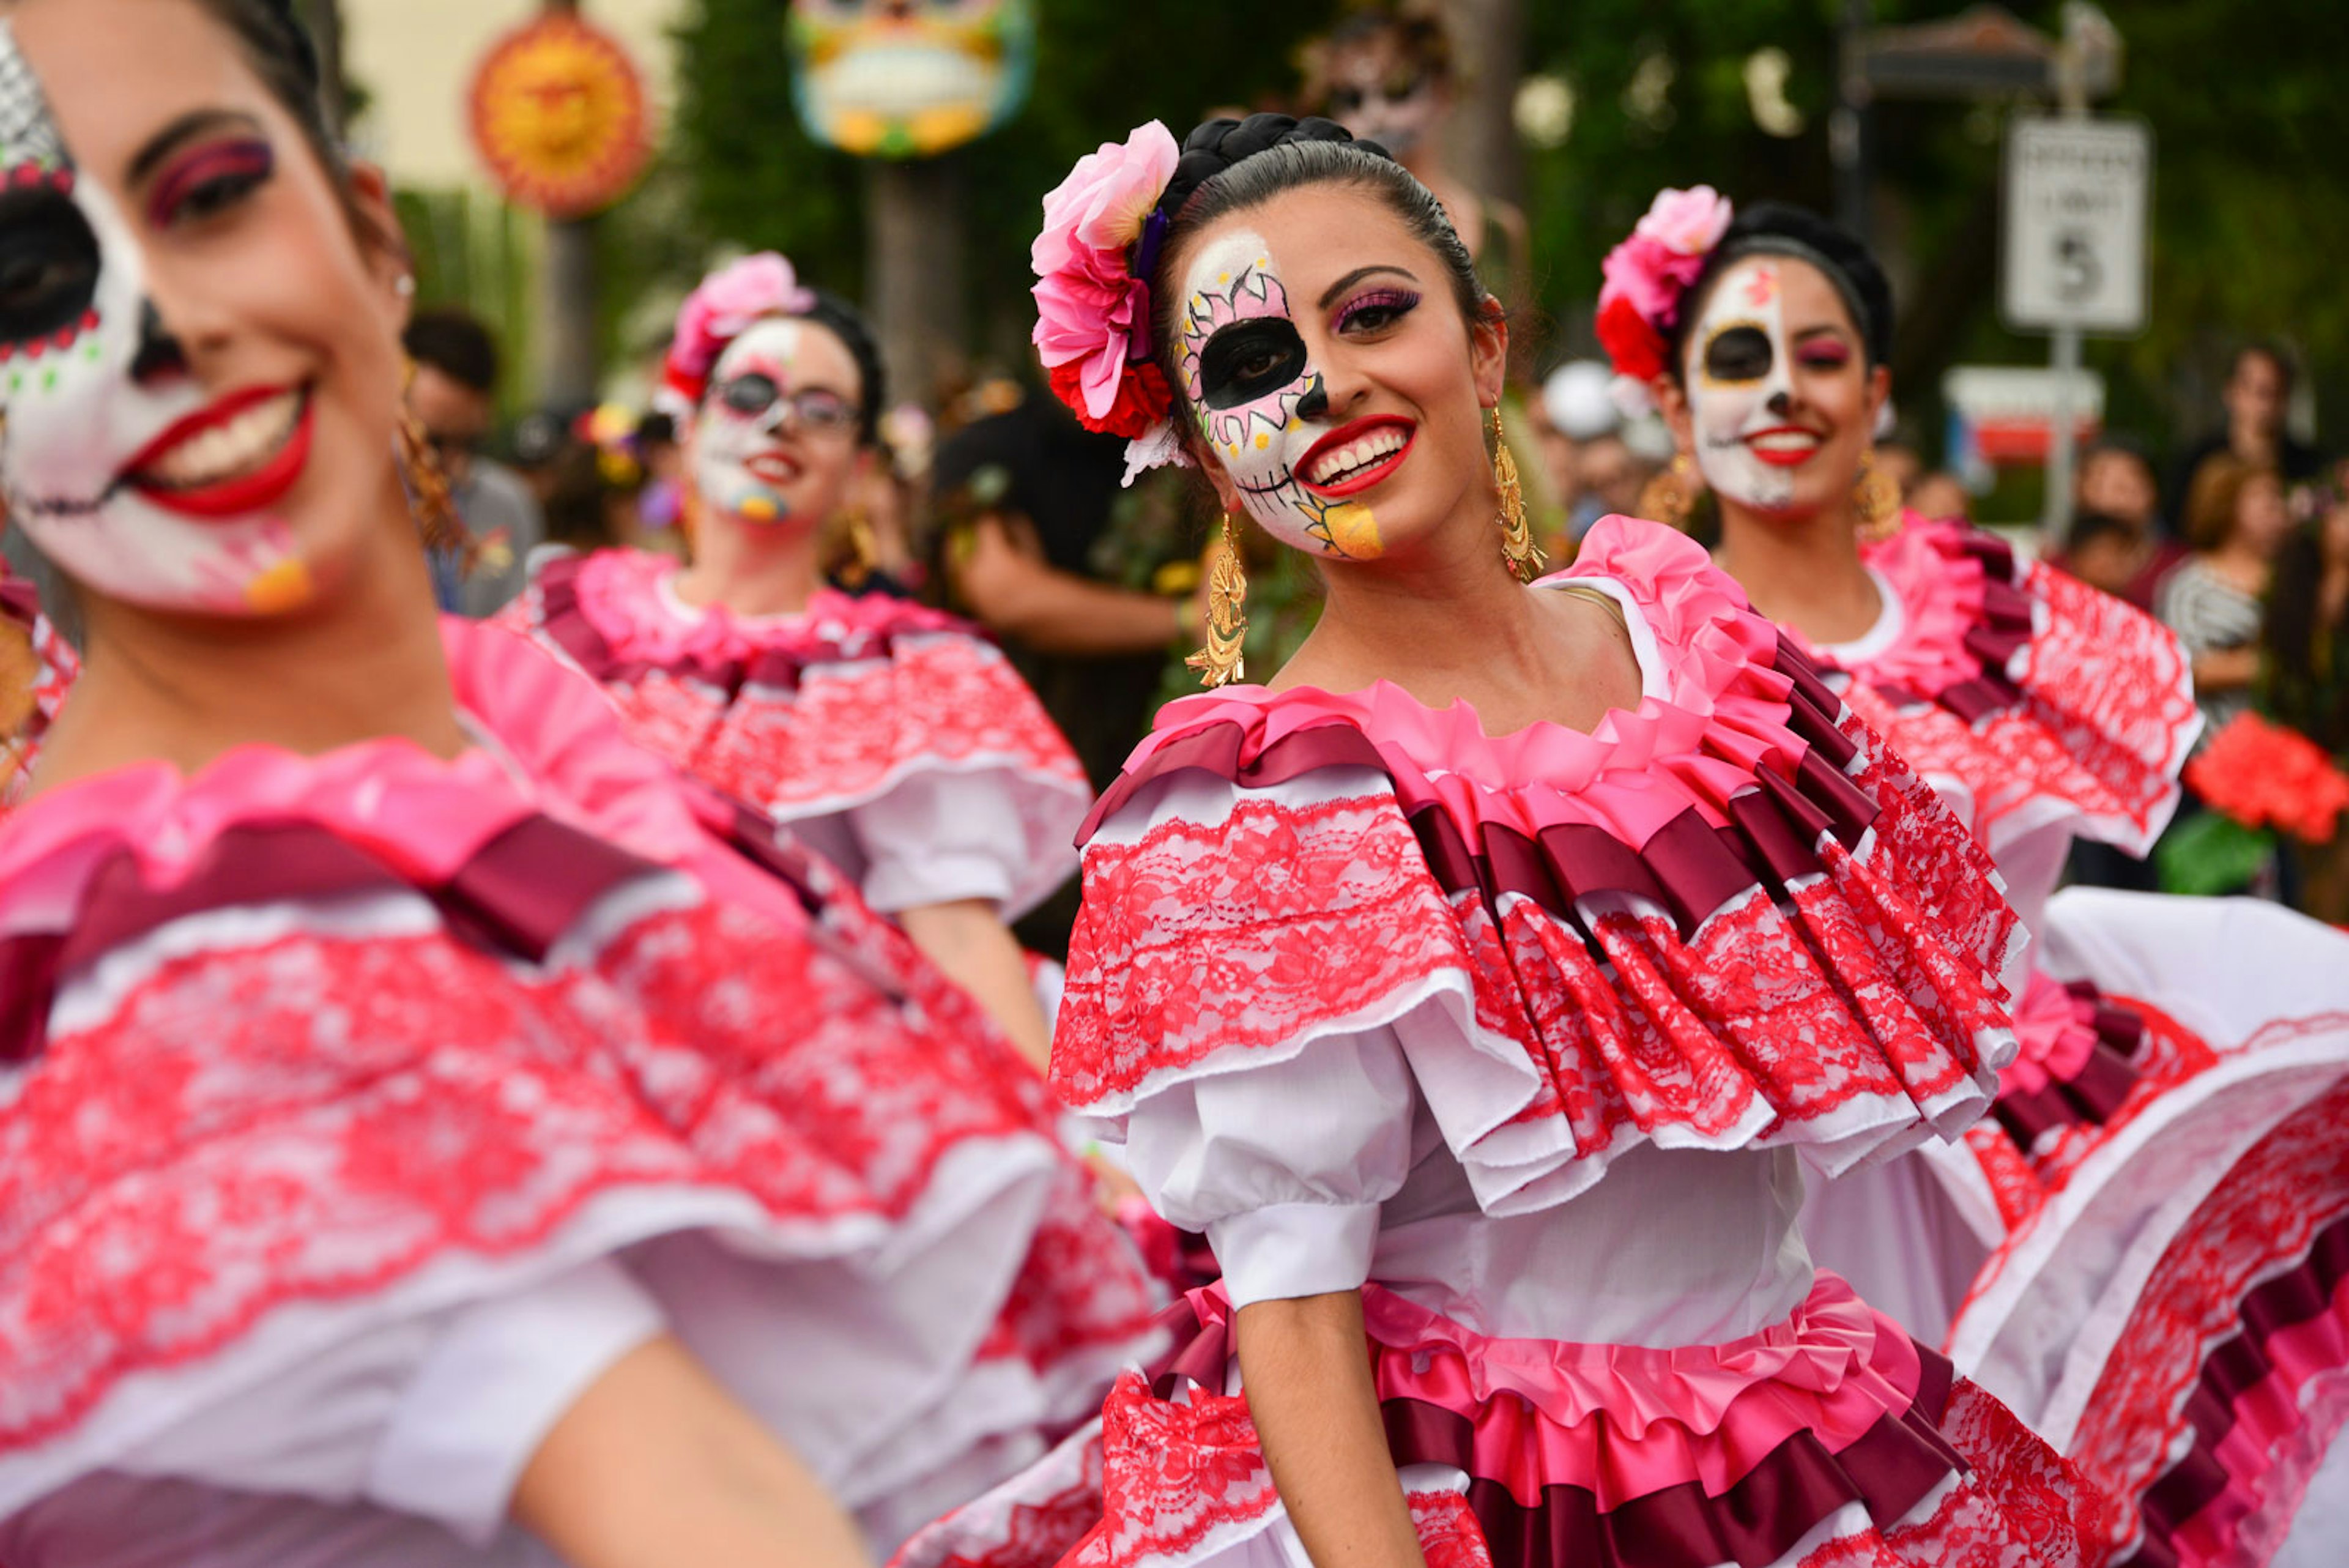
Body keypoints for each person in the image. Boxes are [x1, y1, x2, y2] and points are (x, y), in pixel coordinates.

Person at [0, 6, 1160, 1564]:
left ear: (367, 232)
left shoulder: (519, 730)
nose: (162, 324)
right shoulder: (172, 931)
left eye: (208, 195)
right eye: (31, 285)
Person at [907, 114, 2103, 1568]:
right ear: (1215, 460)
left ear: (1482, 349)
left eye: (1371, 314)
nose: (1329, 383)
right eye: (1250, 364)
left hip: (1797, 1442)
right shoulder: (1256, 807)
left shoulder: (1695, 655)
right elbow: (1291, 1309)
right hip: (1483, 1503)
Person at [1611, 185, 2349, 1566]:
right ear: (1672, 411)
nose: (1783, 391)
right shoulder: (1626, 647)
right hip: (1761, 1163)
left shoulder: (1987, 603)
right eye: (1737, 358)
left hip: (2019, 1113)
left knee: (2042, 1478)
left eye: (1821, 357)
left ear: (1879, 393)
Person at [502, 257, 1088, 1071]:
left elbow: (953, 930)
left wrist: (1064, 1146)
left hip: (792, 1069)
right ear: (692, 427)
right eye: (750, 394)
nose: (779, 423)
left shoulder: (902, 670)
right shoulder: (561, 619)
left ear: (858, 470)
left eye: (820, 410)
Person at [403, 305, 545, 616]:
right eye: (431, 442)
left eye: (459, 443)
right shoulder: (376, 497)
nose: (442, 464)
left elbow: (517, 611)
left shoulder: (507, 502)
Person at [2161, 455, 2294, 745]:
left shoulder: (2296, 577)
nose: (2280, 512)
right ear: (2226, 503)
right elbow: (2184, 671)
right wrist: (2276, 666)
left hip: (2294, 754)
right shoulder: (2189, 586)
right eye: (2268, 502)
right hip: (2218, 756)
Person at [2169, 343, 2323, 535]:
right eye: (2259, 391)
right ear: (2231, 392)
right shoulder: (2198, 462)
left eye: (2277, 392)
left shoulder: (2312, 468)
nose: (2266, 405)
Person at [2067, 441, 2181, 611]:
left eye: (2131, 478)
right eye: (2103, 481)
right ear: (2080, 489)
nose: (2119, 492)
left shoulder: (2179, 569)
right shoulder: (2055, 573)